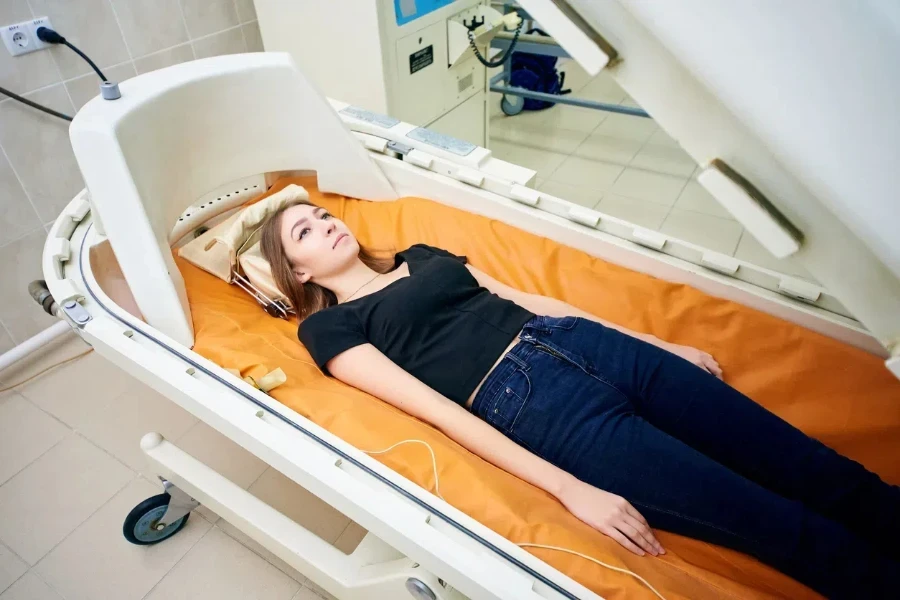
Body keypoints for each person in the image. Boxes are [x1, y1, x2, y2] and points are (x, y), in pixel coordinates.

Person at [259, 200, 899, 599]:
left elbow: (534, 302)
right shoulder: (328, 328)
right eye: (305, 234)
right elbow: (435, 410)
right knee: (775, 521)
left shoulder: (420, 256)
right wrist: (568, 488)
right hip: (533, 405)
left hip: (586, 343)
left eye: (323, 215)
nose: (326, 225)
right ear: (301, 273)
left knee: (814, 467)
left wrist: (654, 343)